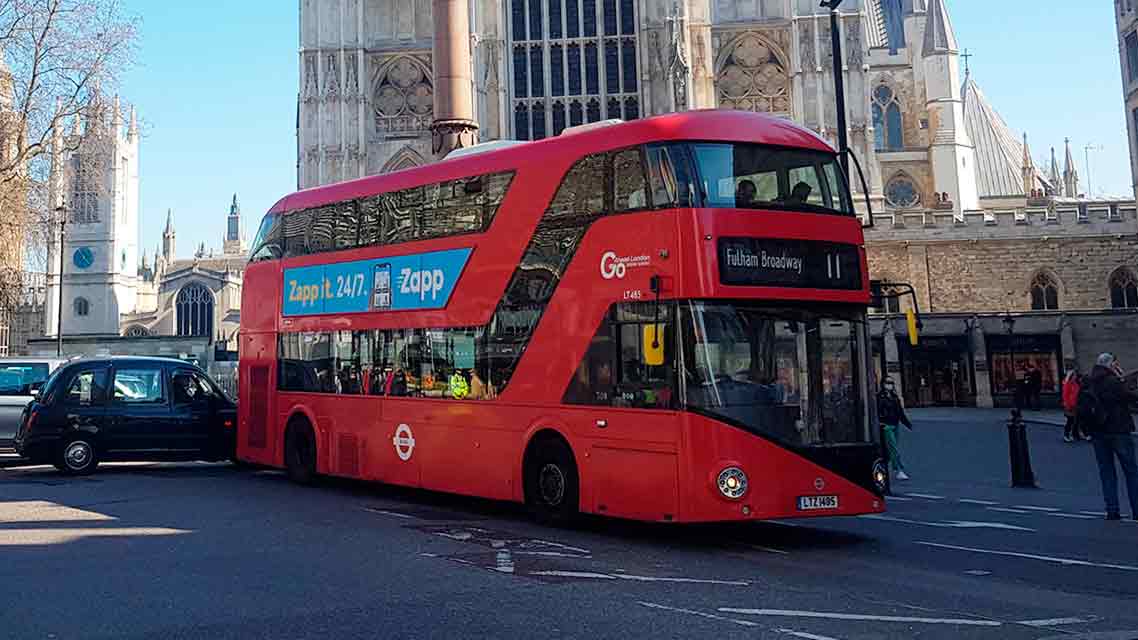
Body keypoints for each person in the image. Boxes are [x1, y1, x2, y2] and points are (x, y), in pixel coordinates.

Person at [1084, 353, 1138, 521]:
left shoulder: (1089, 381)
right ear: (1111, 365)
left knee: (1106, 472)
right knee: (1131, 471)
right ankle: (1136, 509)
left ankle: (1112, 510)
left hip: (1098, 431)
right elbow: (1132, 396)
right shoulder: (1114, 382)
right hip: (1118, 429)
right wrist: (1122, 378)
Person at [877, 377, 914, 481]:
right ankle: (899, 470)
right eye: (887, 383)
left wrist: (907, 424)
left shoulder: (894, 397)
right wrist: (881, 424)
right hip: (886, 426)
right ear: (883, 384)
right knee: (893, 448)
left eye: (891, 383)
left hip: (895, 425)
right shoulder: (879, 397)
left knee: (890, 450)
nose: (890, 385)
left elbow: (900, 412)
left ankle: (883, 467)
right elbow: (877, 411)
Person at [1061, 369, 1086, 443]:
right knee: (1070, 421)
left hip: (1076, 405)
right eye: (1074, 375)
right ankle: (1066, 435)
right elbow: (1065, 396)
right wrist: (1067, 405)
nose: (1075, 376)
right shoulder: (1067, 384)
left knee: (1077, 420)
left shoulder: (1075, 384)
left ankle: (1076, 434)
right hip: (1070, 405)